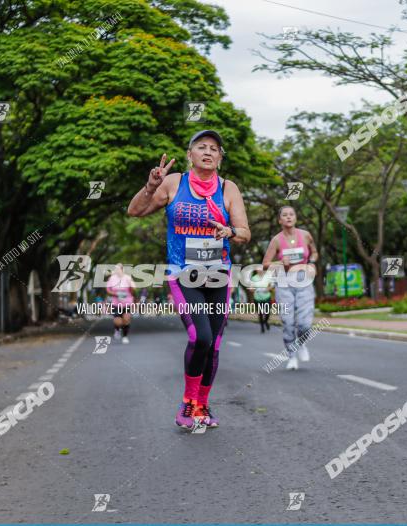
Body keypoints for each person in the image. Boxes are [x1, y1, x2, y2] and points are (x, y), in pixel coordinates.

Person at [128, 130, 251, 428]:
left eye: (214, 149)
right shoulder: (174, 183)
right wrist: (150, 186)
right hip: (183, 273)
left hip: (218, 274)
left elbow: (245, 233)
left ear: (220, 159)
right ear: (189, 154)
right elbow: (135, 211)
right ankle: (187, 404)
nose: (208, 152)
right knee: (200, 337)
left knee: (215, 344)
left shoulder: (228, 188)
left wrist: (230, 232)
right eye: (201, 147)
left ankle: (203, 406)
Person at [261, 205, 318, 370]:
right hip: (284, 281)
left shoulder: (306, 236)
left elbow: (314, 252)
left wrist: (312, 263)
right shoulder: (276, 240)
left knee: (305, 324)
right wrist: (279, 262)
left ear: (296, 218)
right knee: (288, 322)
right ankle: (292, 355)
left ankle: (301, 344)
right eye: (284, 215)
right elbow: (265, 264)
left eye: (291, 214)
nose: (288, 217)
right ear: (280, 220)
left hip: (303, 279)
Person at [106, 263, 135, 343]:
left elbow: (133, 288)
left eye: (118, 269)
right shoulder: (112, 278)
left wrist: (129, 294)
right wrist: (115, 294)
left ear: (122, 269)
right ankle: (117, 329)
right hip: (116, 303)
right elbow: (108, 290)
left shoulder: (128, 278)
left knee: (126, 319)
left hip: (127, 303)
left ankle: (125, 337)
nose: (117, 270)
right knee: (118, 321)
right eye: (116, 269)